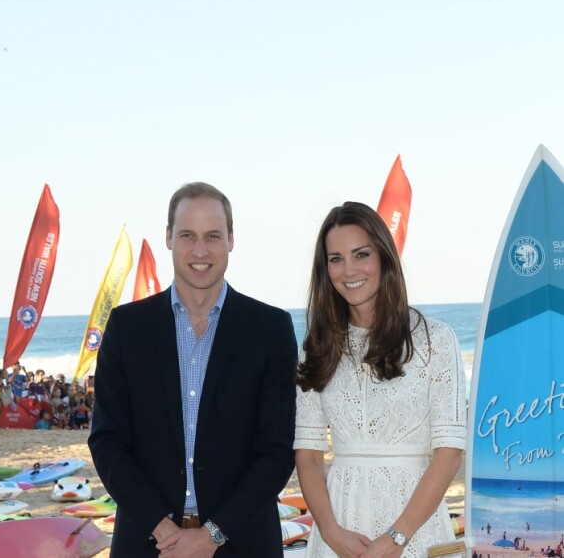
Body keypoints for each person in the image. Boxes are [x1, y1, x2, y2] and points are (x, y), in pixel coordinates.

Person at [88, 182, 298, 557]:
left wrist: (210, 536)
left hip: (242, 542)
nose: (200, 250)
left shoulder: (270, 329)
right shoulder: (126, 328)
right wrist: (164, 530)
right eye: (188, 235)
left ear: (231, 239)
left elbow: (276, 453)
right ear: (169, 237)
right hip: (147, 542)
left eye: (213, 236)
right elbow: (108, 443)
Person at [294, 201, 467, 557]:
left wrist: (396, 538)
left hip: (415, 529)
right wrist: (330, 532)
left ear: (384, 257)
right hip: (339, 531)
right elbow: (308, 455)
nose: (349, 270)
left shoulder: (435, 339)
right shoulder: (317, 348)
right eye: (336, 258)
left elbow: (449, 453)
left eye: (361, 254)